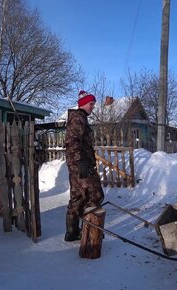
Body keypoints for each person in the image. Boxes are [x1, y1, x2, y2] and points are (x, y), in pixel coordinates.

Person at [63, 90, 104, 242]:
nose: (93, 107)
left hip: (79, 165)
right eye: (91, 104)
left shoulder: (80, 118)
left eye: (93, 104)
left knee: (78, 197)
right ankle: (91, 230)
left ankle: (72, 232)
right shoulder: (78, 119)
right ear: (83, 104)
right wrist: (81, 161)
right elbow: (72, 142)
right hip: (81, 165)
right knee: (95, 195)